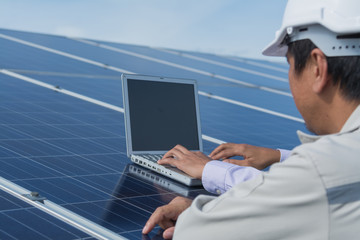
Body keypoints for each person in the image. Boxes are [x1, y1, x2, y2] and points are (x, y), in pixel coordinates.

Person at [143, 0, 360, 239]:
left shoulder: (319, 171)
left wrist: (197, 212)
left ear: (318, 67)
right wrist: (280, 157)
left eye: (288, 64)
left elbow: (196, 231)